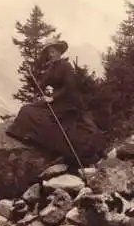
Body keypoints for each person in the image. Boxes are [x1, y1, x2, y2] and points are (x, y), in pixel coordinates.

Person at [6, 39, 106, 167]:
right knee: (27, 110)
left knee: (55, 122)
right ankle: (29, 136)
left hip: (68, 103)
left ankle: (48, 143)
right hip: (55, 102)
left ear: (59, 52)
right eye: (49, 52)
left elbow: (70, 87)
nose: (50, 55)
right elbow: (42, 84)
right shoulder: (51, 68)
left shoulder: (66, 66)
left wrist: (53, 97)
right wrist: (36, 81)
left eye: (53, 52)